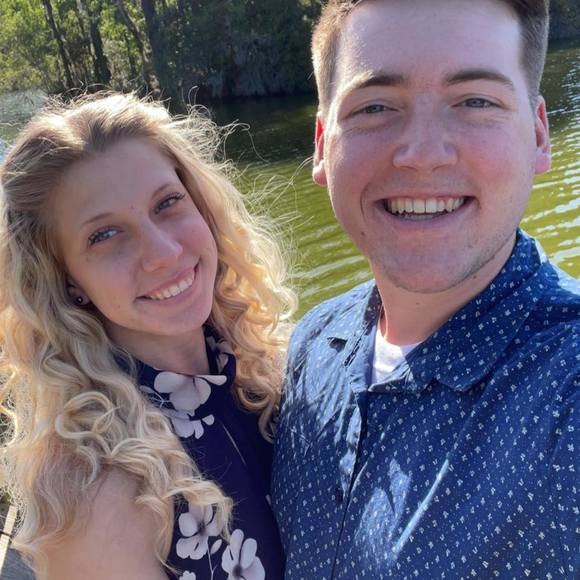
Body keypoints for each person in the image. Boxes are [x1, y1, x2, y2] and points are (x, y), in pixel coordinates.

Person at [271, 0, 579, 578]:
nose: (422, 155)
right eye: (375, 107)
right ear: (322, 144)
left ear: (539, 135)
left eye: (475, 102)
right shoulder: (313, 344)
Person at [0, 92, 294, 580]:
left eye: (168, 203)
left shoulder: (267, 370)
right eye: (104, 234)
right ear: (65, 278)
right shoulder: (97, 490)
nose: (163, 253)